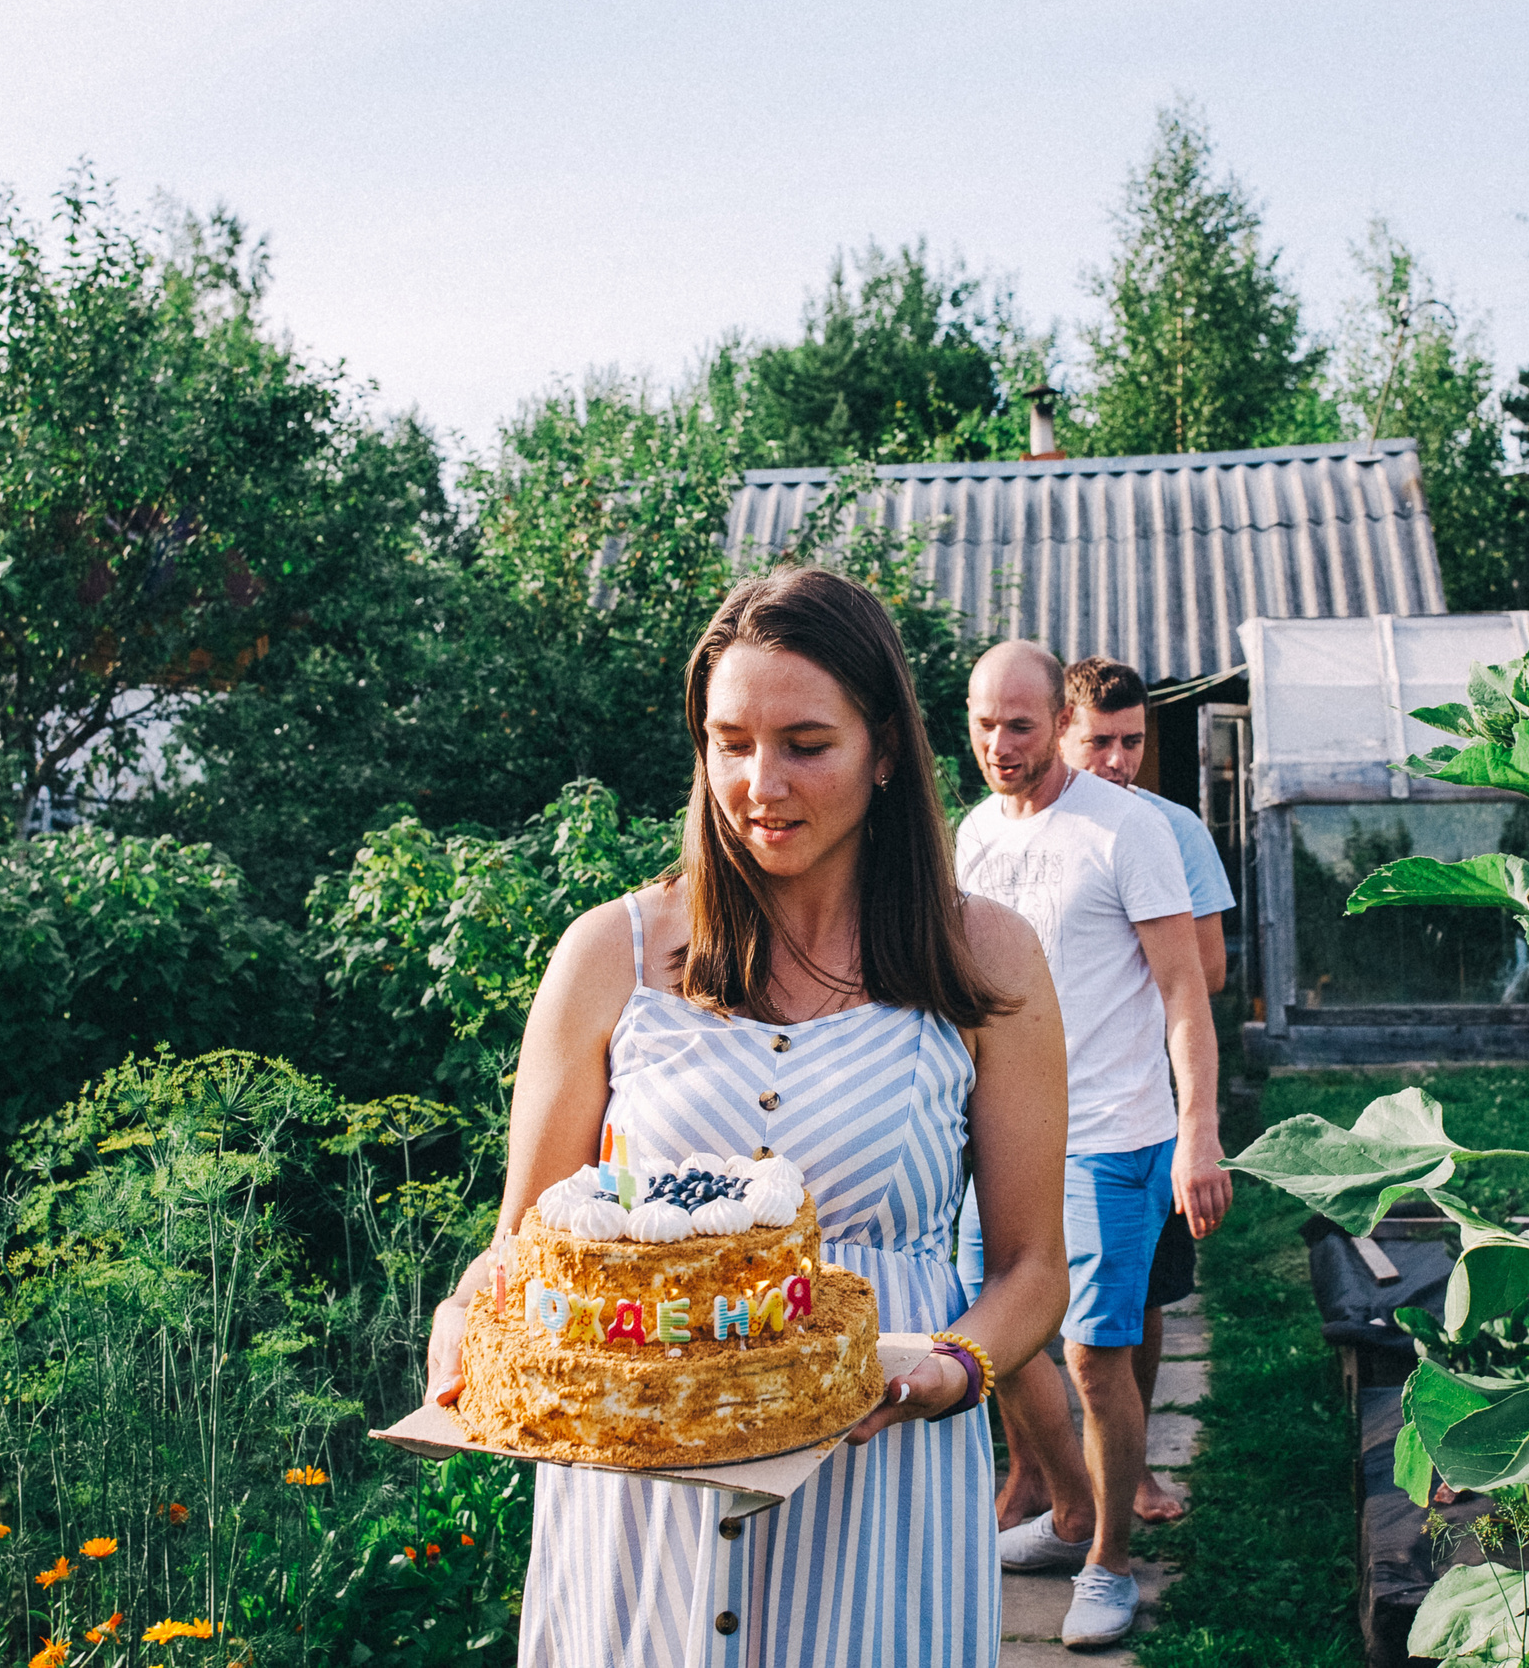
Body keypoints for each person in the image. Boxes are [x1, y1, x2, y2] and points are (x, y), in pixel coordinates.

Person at [424, 566, 1068, 1668]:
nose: (758, 783)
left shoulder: (983, 956)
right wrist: (466, 1319)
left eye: (804, 744)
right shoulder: (609, 955)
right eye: (729, 742)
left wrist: (954, 1367)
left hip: (877, 1480)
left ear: (883, 749)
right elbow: (525, 1244)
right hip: (637, 1493)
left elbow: (1031, 1267)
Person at [952, 639, 1228, 1650]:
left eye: (1018, 726)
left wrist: (1196, 1135)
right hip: (996, 1141)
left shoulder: (1126, 830)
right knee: (998, 1338)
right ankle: (1070, 1511)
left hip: (1113, 1134)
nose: (998, 745)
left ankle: (1109, 1561)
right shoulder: (972, 836)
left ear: (1051, 723)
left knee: (1094, 1355)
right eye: (983, 725)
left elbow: (1183, 993)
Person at [1059, 654, 1236, 1525]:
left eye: (1131, 742)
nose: (1118, 761)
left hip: (1142, 1094)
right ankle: (1046, 1479)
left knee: (1145, 1291)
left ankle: (1135, 1471)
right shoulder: (1026, 832)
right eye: (1100, 742)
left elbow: (1206, 969)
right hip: (1052, 1089)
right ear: (1064, 734)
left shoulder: (1171, 830)